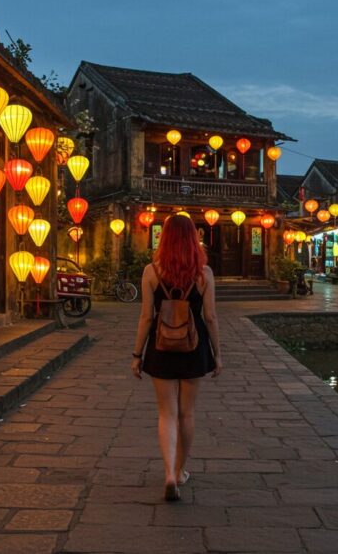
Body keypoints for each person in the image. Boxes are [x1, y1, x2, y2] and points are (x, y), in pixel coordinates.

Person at [131, 214, 221, 502]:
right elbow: (210, 317)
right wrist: (218, 354)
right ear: (193, 239)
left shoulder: (151, 272)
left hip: (161, 347)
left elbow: (146, 317)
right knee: (187, 413)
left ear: (164, 238)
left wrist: (136, 354)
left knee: (166, 413)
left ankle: (169, 473)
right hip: (194, 348)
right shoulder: (204, 273)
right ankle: (181, 471)